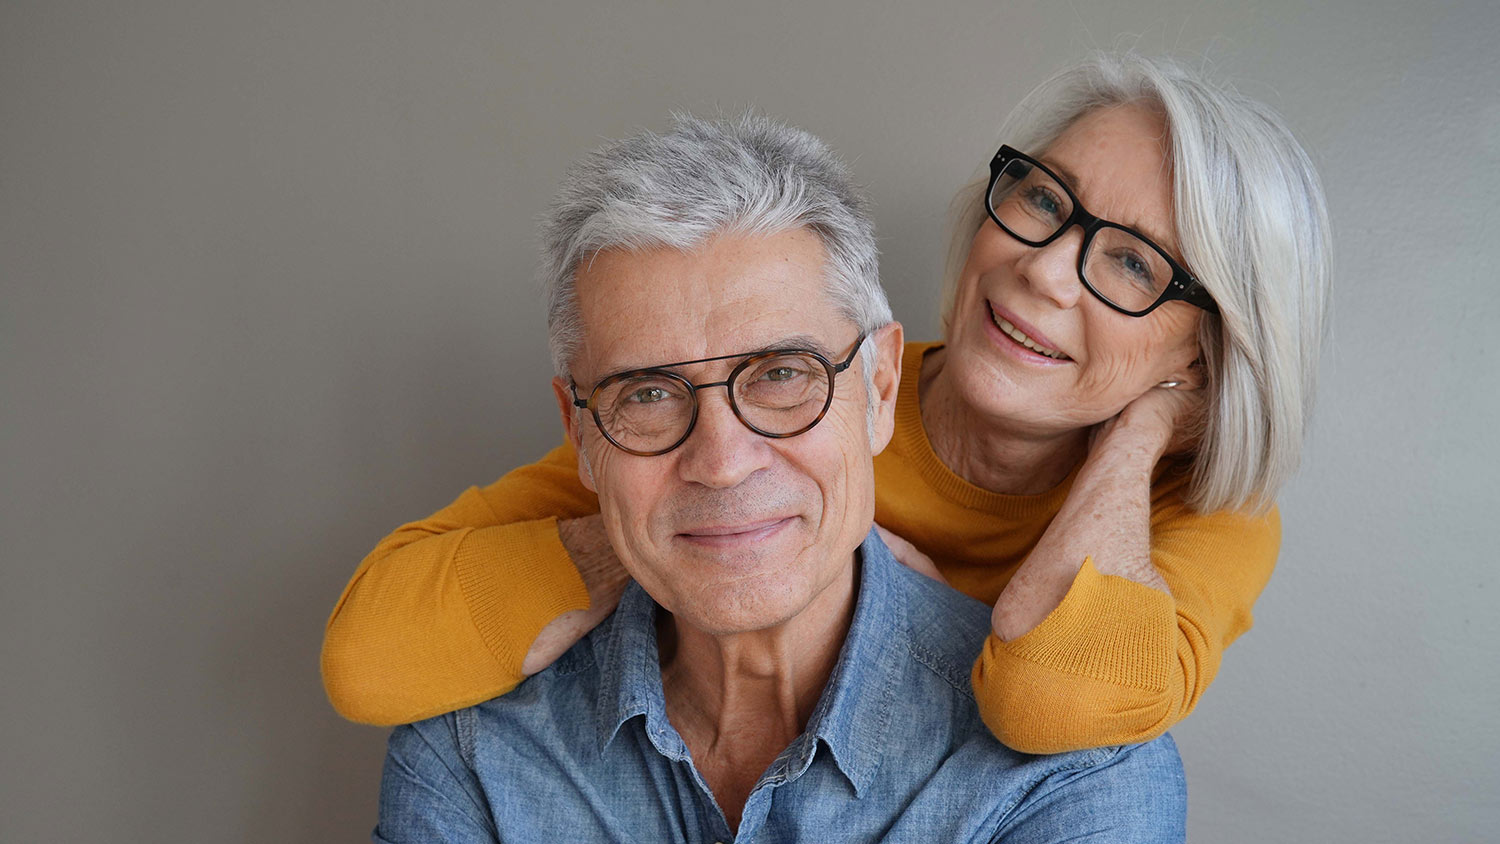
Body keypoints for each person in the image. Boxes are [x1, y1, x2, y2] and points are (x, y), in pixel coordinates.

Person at [324, 52, 1332, 752]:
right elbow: (371, 654)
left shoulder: (1201, 516)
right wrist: (687, 527)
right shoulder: (798, 390)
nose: (1044, 271)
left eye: (1130, 263)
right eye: (1042, 199)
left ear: (1205, 347)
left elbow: (1058, 699)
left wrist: (1144, 428)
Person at [374, 113, 1186, 843]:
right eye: (648, 394)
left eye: (782, 374)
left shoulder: (1074, 776)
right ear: (580, 433)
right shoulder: (470, 751)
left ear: (879, 389)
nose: (723, 463)